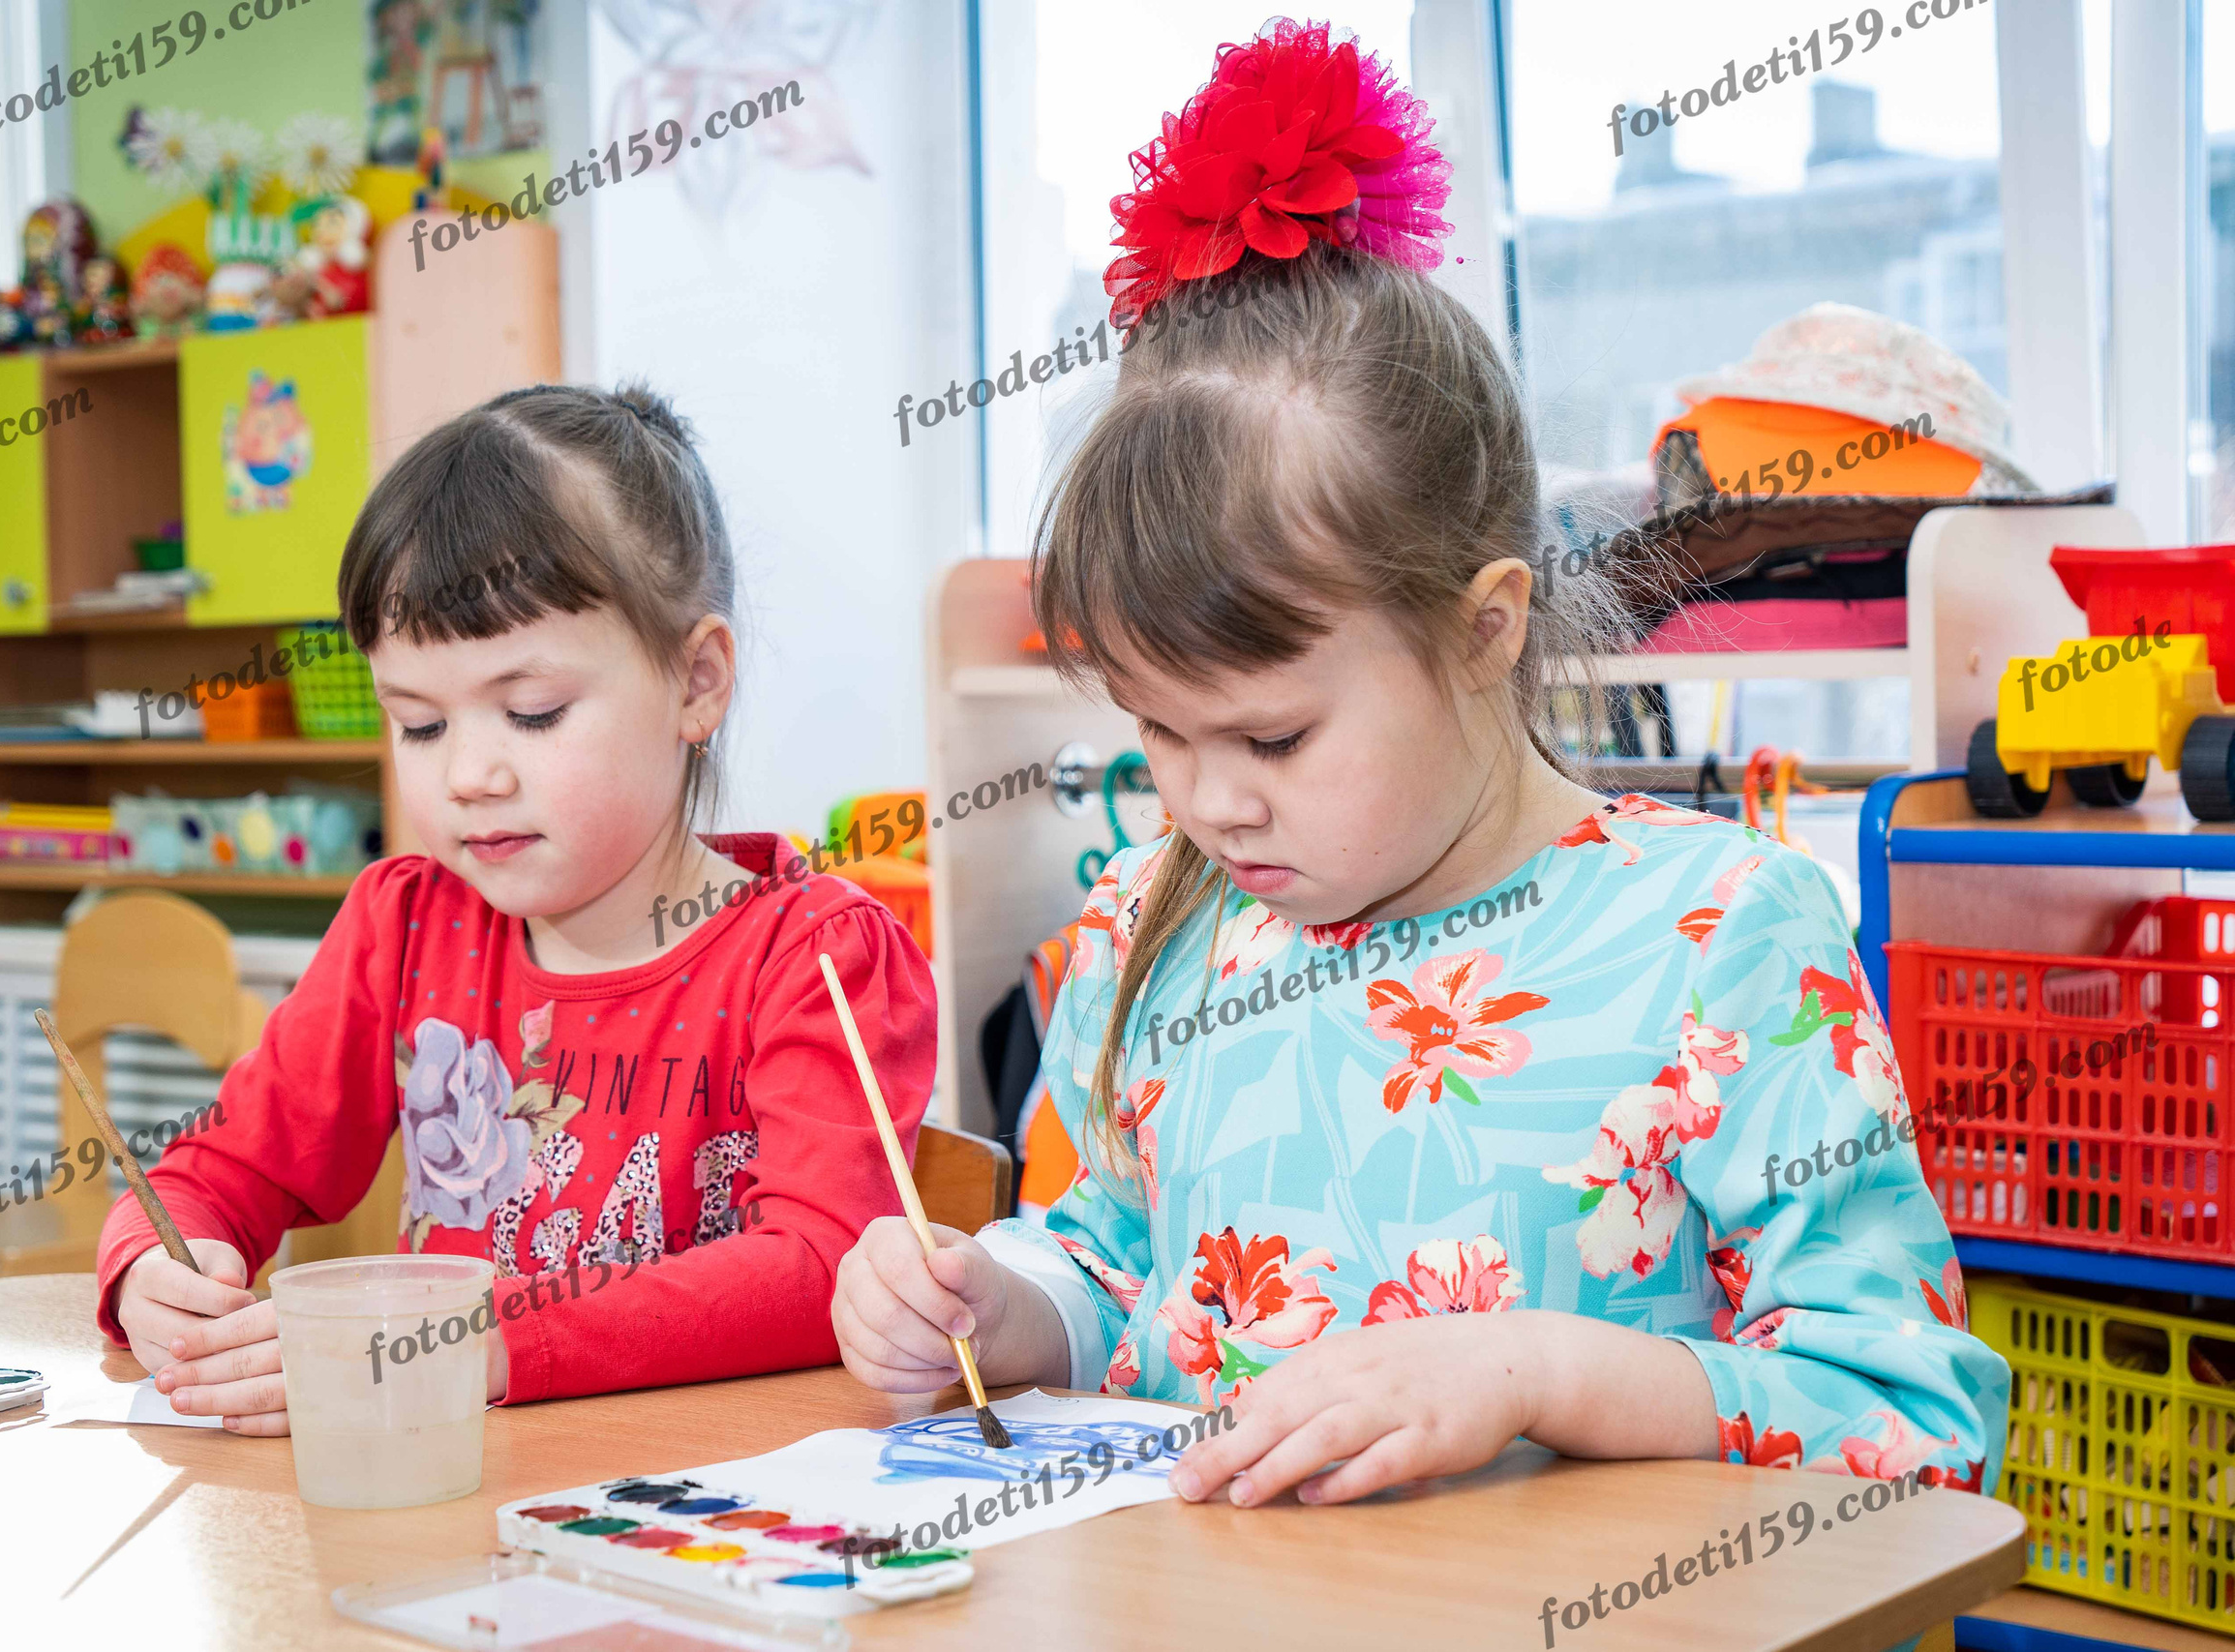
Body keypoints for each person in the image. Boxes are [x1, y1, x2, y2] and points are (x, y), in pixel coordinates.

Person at [829, 18, 2003, 1512]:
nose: (1205, 799)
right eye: (1154, 728)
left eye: (1273, 734)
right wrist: (1001, 1305)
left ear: (1484, 631)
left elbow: (1909, 1410)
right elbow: (1113, 1253)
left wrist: (1532, 1370)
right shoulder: (1157, 917)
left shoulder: (1723, 933)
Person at [101, 382, 934, 1429]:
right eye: (418, 725)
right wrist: (154, 1266)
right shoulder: (405, 927)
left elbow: (821, 1268)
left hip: (714, 1523)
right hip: (453, 1513)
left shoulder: (812, 956)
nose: (468, 777)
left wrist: (481, 1341)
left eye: (529, 713)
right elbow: (215, 1169)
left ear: (696, 680)